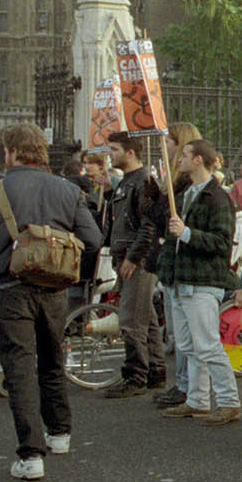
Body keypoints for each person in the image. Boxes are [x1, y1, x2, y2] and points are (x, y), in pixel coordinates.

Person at [0, 123, 103, 479]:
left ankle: (31, 455)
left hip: (11, 287)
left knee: (19, 367)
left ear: (10, 152)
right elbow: (92, 238)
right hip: (56, 287)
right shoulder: (66, 189)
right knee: (52, 357)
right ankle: (59, 433)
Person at [154, 140, 242, 426]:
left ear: (199, 160)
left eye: (185, 156)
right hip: (180, 279)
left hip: (203, 280)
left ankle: (229, 401)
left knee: (206, 345)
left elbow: (221, 242)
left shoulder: (217, 198)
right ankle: (197, 399)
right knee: (188, 346)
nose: (179, 159)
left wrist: (187, 233)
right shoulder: (186, 194)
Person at [101, 132, 166, 397]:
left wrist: (133, 256)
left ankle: (135, 374)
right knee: (146, 316)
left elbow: (149, 225)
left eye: (114, 149)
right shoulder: (125, 182)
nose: (110, 154)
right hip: (127, 254)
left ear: (130, 152)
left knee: (131, 320)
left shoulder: (142, 182)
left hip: (137, 258)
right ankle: (155, 371)